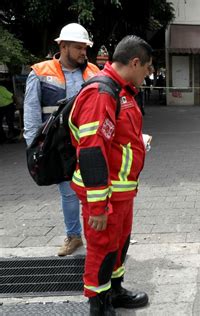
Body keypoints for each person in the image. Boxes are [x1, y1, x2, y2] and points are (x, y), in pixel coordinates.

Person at [69, 35, 152, 315]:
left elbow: (116, 137)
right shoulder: (102, 93)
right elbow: (92, 150)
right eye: (147, 69)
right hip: (105, 195)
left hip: (122, 191)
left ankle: (115, 290)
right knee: (102, 249)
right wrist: (98, 206)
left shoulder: (121, 91)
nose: (147, 75)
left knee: (119, 243)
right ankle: (99, 304)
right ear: (135, 62)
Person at [23, 23, 99, 255]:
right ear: (62, 45)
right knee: (68, 192)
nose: (83, 53)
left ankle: (95, 238)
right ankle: (74, 236)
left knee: (94, 190)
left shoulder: (94, 72)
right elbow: (31, 112)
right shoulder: (40, 72)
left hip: (88, 143)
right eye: (78, 48)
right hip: (59, 145)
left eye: (85, 48)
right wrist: (34, 147)